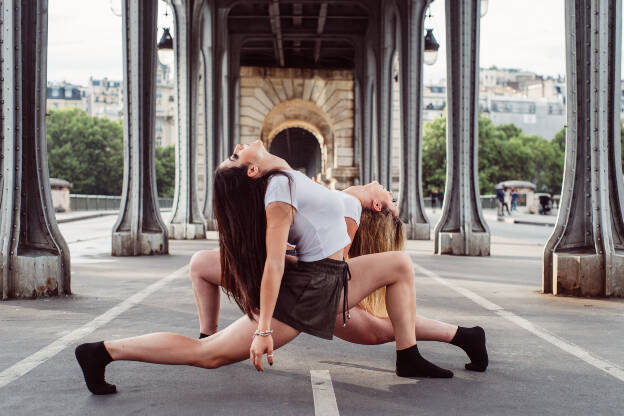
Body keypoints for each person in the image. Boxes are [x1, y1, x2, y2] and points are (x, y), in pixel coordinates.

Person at [75, 140, 487, 395]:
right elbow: (273, 263)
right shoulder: (277, 192)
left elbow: (323, 216)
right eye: (236, 156)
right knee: (208, 355)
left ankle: (422, 350)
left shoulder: (285, 177)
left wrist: (373, 198)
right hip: (312, 289)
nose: (239, 144)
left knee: (395, 275)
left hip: (325, 278)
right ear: (252, 170)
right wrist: (264, 330)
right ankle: (105, 351)